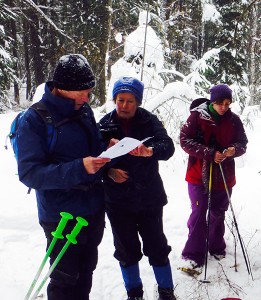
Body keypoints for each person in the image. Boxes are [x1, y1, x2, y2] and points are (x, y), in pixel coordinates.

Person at [17, 54, 113, 300]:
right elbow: (30, 173)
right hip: (60, 215)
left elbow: (90, 145)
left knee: (87, 270)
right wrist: (80, 168)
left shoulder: (83, 110)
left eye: (88, 91)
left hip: (91, 209)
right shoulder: (35, 120)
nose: (86, 97)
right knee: (65, 278)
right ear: (60, 88)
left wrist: (107, 145)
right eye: (80, 92)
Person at [99, 76, 176, 300]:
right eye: (120, 100)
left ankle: (166, 290)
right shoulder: (104, 124)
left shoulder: (149, 121)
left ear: (138, 102)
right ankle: (134, 293)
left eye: (130, 101)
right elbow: (91, 157)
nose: (124, 105)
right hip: (117, 201)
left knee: (157, 246)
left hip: (149, 198)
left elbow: (168, 146)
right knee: (126, 250)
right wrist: (108, 172)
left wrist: (149, 151)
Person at [180, 84, 248, 271]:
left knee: (218, 212)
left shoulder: (234, 120)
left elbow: (243, 142)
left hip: (224, 175)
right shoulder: (197, 116)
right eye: (220, 103)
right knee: (199, 212)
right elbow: (184, 140)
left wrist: (234, 150)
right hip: (197, 174)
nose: (224, 107)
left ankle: (216, 246)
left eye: (227, 103)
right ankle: (193, 253)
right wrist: (208, 153)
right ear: (212, 101)